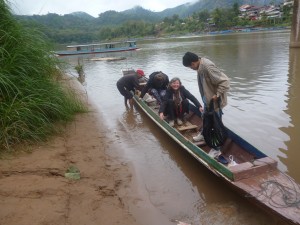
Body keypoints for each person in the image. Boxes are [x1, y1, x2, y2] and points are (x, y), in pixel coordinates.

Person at [182, 52, 230, 142]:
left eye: (190, 67)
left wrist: (217, 94)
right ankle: (204, 134)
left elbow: (225, 81)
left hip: (215, 102)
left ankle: (217, 148)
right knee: (205, 118)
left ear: (193, 63)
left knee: (216, 123)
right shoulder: (200, 66)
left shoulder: (208, 67)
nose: (191, 68)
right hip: (207, 99)